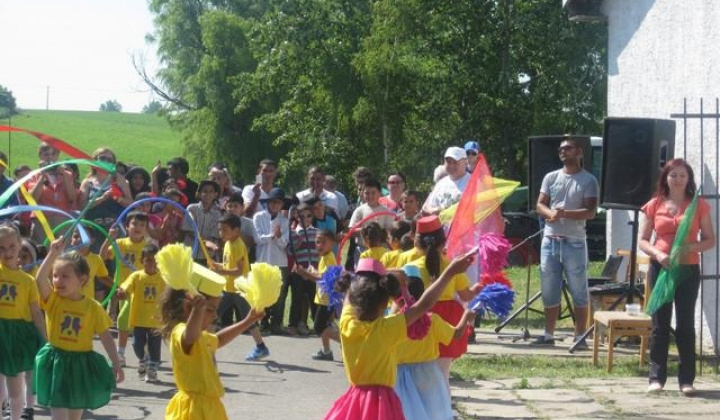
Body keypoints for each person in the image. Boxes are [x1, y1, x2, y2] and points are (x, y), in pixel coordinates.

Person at [321, 252, 475, 420]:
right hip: (381, 403)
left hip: (355, 400)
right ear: (383, 304)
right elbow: (424, 305)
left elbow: (351, 297)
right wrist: (450, 271)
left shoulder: (347, 323)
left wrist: (381, 274)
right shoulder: (385, 329)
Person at [638, 159, 715, 395]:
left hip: (687, 270)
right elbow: (642, 240)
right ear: (666, 179)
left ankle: (686, 380)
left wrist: (692, 247)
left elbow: (711, 239)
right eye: (673, 175)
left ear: (689, 179)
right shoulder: (653, 205)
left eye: (682, 175)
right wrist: (659, 254)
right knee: (660, 323)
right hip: (661, 269)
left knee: (685, 324)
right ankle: (656, 378)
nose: (678, 179)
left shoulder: (698, 205)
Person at [160, 256, 264, 419]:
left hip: (211, 408)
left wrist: (247, 321)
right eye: (210, 309)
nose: (215, 315)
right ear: (189, 308)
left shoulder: (202, 336)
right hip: (193, 411)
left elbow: (219, 340)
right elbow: (189, 338)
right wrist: (197, 311)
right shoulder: (180, 332)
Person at [34, 238, 124, 420]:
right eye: (55, 275)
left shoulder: (93, 307)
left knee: (75, 416)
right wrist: (53, 254)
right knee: (59, 413)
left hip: (81, 364)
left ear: (82, 279)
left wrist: (116, 362)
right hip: (57, 361)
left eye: (65, 276)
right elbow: (39, 278)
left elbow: (106, 336)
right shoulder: (54, 300)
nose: (58, 280)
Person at [532, 136, 598, 347]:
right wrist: (549, 212)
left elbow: (590, 212)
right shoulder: (550, 177)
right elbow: (540, 204)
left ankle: (580, 335)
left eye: (568, 148)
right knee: (549, 287)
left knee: (578, 288)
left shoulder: (588, 180)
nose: (563, 152)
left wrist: (564, 214)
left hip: (575, 242)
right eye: (561, 149)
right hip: (550, 240)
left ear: (579, 152)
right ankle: (548, 333)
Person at [395, 266, 475, 420]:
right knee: (432, 413)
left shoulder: (392, 322)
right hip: (428, 374)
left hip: (400, 377)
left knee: (406, 413)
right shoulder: (432, 320)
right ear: (424, 295)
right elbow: (457, 333)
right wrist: (466, 317)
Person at [409, 216, 479, 387]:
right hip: (449, 319)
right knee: (443, 376)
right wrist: (479, 288)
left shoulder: (410, 265)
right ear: (443, 241)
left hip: (420, 319)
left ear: (417, 242)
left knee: (419, 375)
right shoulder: (453, 265)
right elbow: (466, 295)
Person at [0, 225, 46, 420]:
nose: (7, 252)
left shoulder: (28, 281)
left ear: (20, 245)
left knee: (15, 385)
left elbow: (35, 312)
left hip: (17, 335)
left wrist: (46, 339)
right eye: (1, 248)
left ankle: (16, 417)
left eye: (11, 246)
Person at [211, 214, 269, 362]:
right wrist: (218, 266)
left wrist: (221, 271)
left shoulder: (238, 245)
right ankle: (206, 345)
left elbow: (238, 270)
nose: (221, 233)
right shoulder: (228, 243)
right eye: (220, 230)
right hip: (228, 288)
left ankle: (261, 346)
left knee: (248, 320)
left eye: (224, 230)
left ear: (236, 230)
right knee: (212, 315)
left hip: (239, 290)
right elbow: (228, 265)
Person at [100, 211, 150, 366]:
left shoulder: (148, 246)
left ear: (146, 228)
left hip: (140, 290)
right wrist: (109, 239)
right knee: (125, 322)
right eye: (134, 224)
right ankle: (122, 354)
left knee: (133, 322)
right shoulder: (120, 243)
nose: (138, 227)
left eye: (142, 225)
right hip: (122, 290)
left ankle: (144, 353)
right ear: (127, 226)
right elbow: (101, 257)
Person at [116, 244, 164, 383]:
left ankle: (152, 370)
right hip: (139, 320)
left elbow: (169, 294)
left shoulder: (162, 278)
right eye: (148, 260)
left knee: (155, 348)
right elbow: (126, 287)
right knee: (137, 345)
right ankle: (143, 360)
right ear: (142, 260)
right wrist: (122, 293)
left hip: (156, 320)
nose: (152, 263)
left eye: (155, 260)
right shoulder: (136, 276)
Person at [294, 229, 340, 360]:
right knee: (323, 326)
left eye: (323, 242)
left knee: (319, 327)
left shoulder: (329, 257)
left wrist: (305, 273)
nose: (319, 245)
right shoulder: (325, 257)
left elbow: (322, 278)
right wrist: (312, 271)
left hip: (326, 299)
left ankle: (344, 341)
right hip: (323, 298)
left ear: (332, 244)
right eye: (317, 242)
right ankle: (326, 351)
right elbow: (321, 274)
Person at [253, 188, 290, 334]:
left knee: (279, 295)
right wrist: (272, 235)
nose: (275, 205)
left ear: (281, 205)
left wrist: (278, 237)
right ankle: (263, 322)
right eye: (273, 202)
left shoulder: (284, 221)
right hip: (262, 261)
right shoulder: (258, 217)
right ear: (268, 203)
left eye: (279, 203)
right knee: (262, 294)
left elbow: (284, 243)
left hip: (279, 262)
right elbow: (258, 239)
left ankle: (276, 324)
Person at [288, 203, 319, 337]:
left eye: (308, 216)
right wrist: (297, 242)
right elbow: (290, 251)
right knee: (297, 298)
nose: (305, 219)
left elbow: (320, 251)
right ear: (296, 216)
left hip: (313, 272)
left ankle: (319, 325)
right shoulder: (294, 233)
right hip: (299, 272)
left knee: (314, 299)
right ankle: (293, 324)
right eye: (302, 216)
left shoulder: (316, 232)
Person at [181, 180, 223, 264]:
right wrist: (205, 242)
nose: (208, 194)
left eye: (211, 191)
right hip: (190, 253)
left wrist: (210, 244)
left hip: (206, 257)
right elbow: (190, 231)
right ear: (199, 194)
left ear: (215, 194)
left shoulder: (218, 214)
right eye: (205, 191)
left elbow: (214, 236)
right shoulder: (192, 208)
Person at [423, 147, 470, 216]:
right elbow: (427, 206)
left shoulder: (474, 181)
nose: (451, 165)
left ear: (465, 162)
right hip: (443, 225)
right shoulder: (441, 183)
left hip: (466, 225)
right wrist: (433, 210)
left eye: (455, 162)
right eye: (448, 161)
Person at [69, 229, 111, 302]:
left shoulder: (96, 259)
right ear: (71, 240)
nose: (78, 239)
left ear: (92, 241)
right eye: (75, 237)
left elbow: (103, 277)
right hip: (67, 302)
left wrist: (117, 288)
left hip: (87, 302)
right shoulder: (64, 259)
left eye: (83, 237)